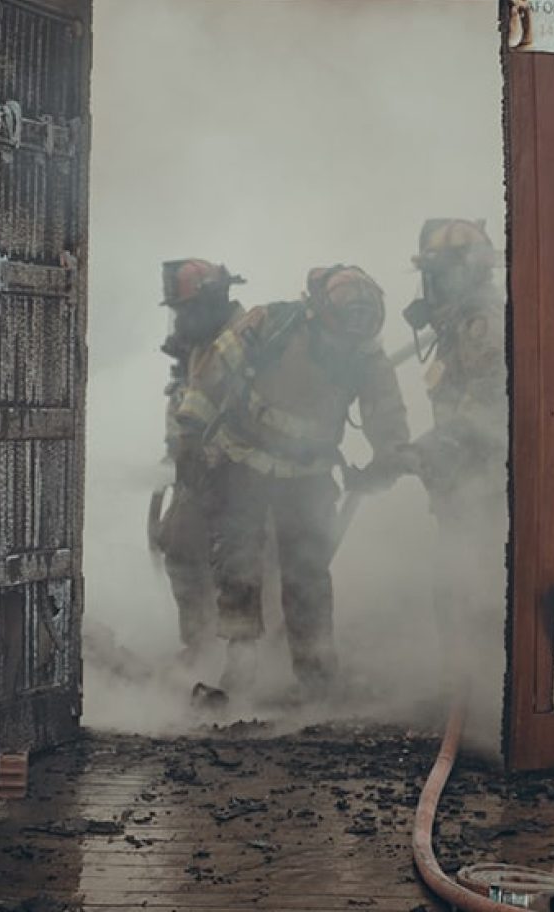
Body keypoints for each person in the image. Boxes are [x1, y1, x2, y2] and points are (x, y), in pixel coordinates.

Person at [176, 265, 412, 700]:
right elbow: (212, 371)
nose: (348, 337)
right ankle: (241, 666)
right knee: (239, 567)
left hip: (308, 477)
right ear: (320, 311)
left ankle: (318, 676)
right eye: (345, 323)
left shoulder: (364, 354)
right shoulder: (272, 323)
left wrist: (389, 459)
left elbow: (388, 414)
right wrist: (189, 434)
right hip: (243, 464)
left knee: (308, 576)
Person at [404, 219, 507, 742]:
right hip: (462, 482)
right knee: (453, 583)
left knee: (477, 583)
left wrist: (440, 444)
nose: (432, 285)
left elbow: (491, 399)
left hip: (486, 485)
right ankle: (462, 686)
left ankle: (486, 697)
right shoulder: (458, 324)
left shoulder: (481, 322)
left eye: (440, 274)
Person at [150, 259, 245, 665]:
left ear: (211, 301)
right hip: (199, 477)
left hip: (243, 475)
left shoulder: (244, 341)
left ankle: (248, 655)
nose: (180, 320)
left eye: (186, 310)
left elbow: (252, 414)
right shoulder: (199, 345)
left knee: (244, 563)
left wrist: (211, 455)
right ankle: (202, 646)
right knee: (181, 544)